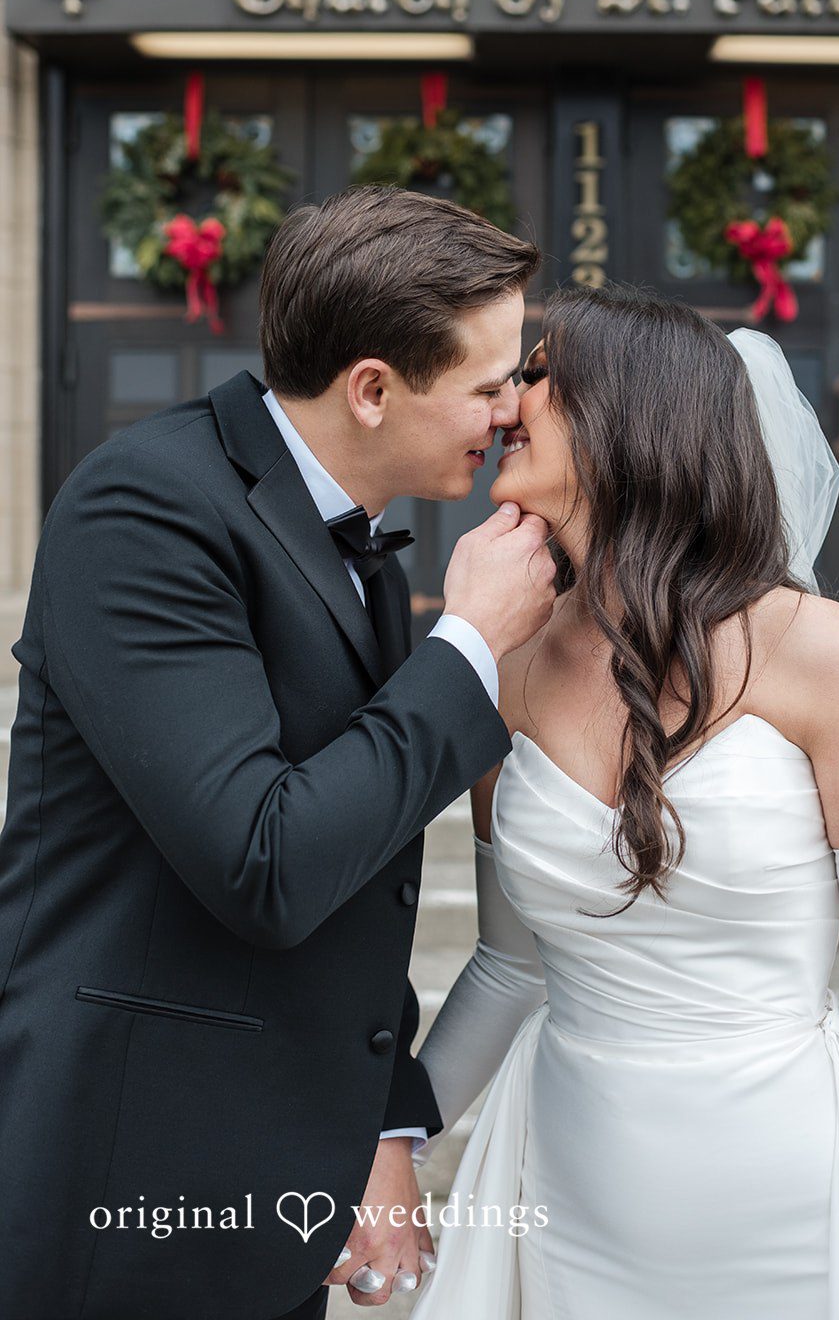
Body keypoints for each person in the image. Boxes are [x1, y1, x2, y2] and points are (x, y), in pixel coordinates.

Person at [408, 282, 839, 1320]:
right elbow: (507, 964)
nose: (505, 400)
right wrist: (391, 1140)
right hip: (574, 1191)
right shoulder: (507, 661)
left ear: (633, 417)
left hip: (795, 1202)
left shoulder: (824, 652)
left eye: (538, 374)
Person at [0, 184, 558, 1320]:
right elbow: (268, 859)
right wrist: (470, 648)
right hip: (129, 1177)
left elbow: (358, 872)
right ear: (371, 388)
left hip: (277, 1178)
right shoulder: (146, 508)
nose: (510, 411)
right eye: (490, 382)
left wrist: (384, 1121)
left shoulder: (354, 544)